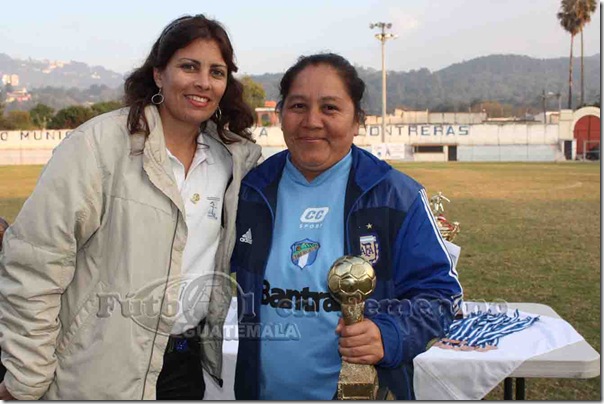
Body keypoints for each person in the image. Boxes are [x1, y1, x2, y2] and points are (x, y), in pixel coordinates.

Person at [0, 14, 261, 400]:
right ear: (159, 74)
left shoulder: (232, 163)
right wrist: (28, 376)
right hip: (94, 375)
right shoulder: (98, 146)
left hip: (183, 372)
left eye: (217, 72)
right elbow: (34, 268)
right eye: (189, 66)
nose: (204, 82)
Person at [231, 53, 463, 400]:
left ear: (357, 121)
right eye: (298, 106)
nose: (311, 121)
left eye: (329, 108)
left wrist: (390, 334)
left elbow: (442, 296)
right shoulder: (250, 191)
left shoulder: (396, 197)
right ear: (280, 115)